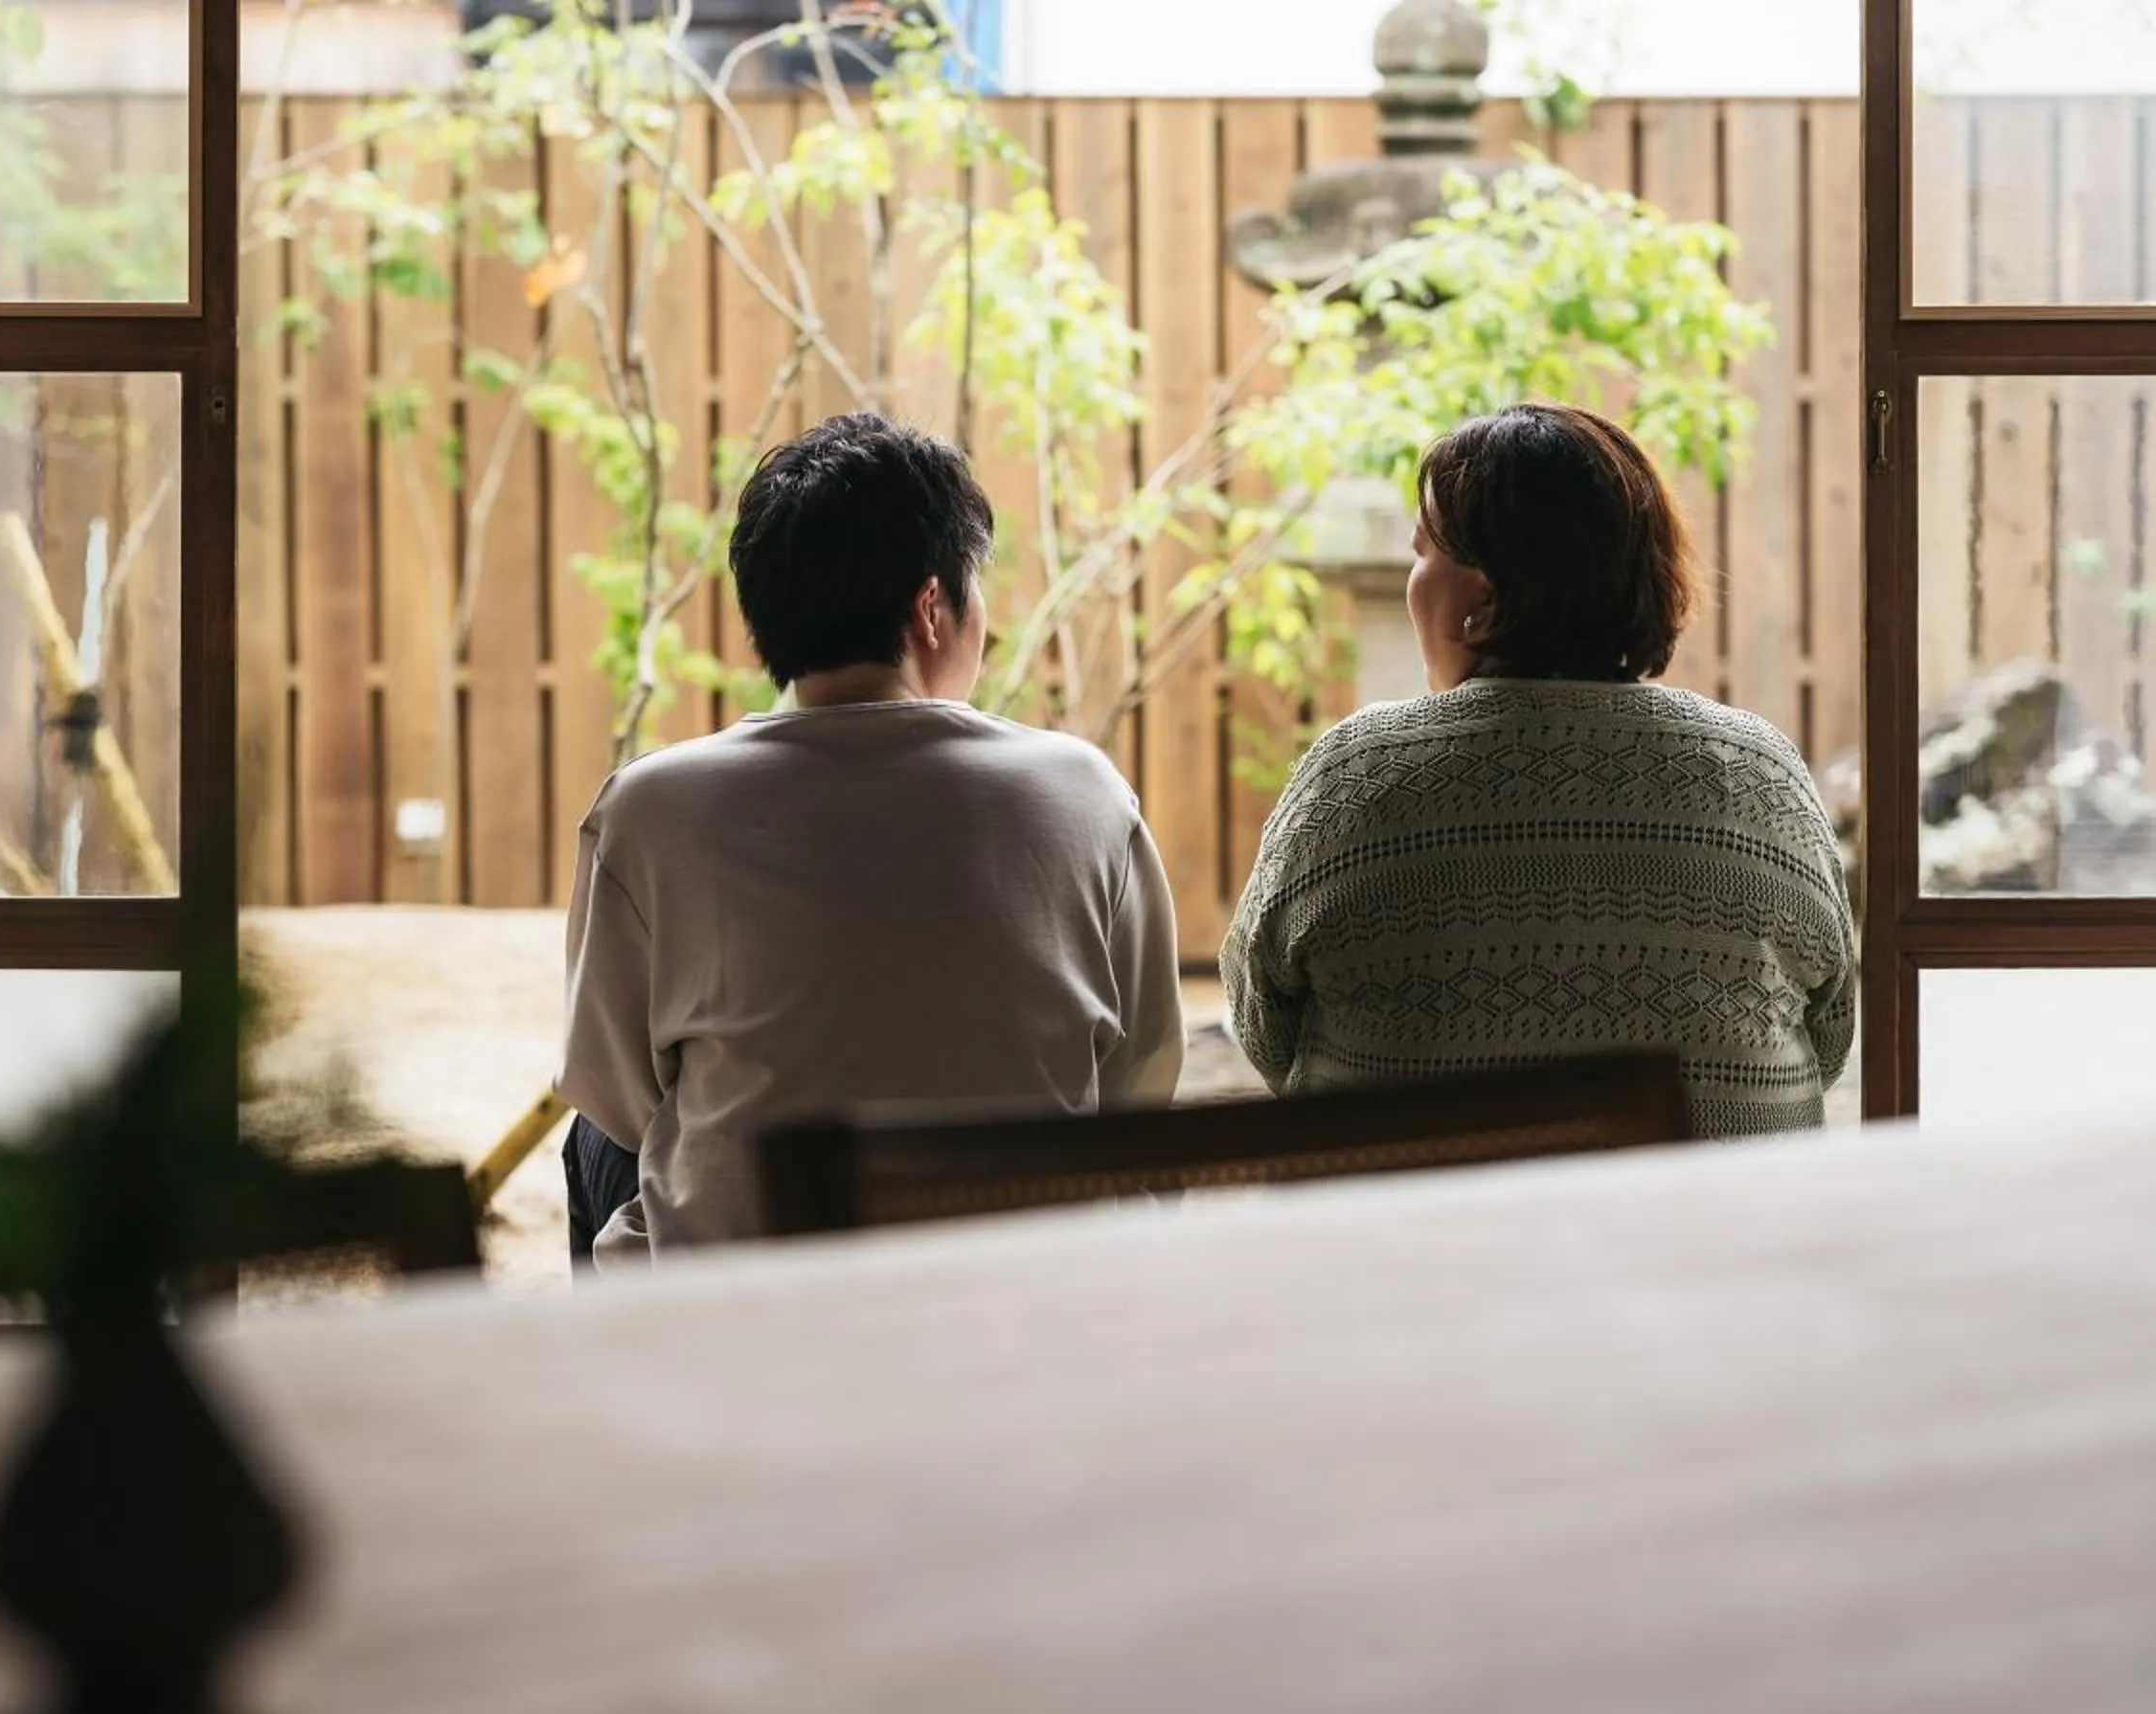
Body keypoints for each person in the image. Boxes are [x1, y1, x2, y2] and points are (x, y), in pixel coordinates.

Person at [557, 412, 1186, 1267]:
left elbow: (617, 1091)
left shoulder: (652, 809)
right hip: (1028, 1294)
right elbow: (1137, 1084)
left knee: (594, 1140)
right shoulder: (1083, 793)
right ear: (933, 606)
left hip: (757, 1309)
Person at [1221, 402, 1855, 1137]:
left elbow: (1262, 1022)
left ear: (1482, 602)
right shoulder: (1760, 773)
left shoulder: (1355, 774)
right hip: (1717, 1239)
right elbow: (1831, 1031)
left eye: (1422, 552)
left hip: (1411, 1241)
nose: (1410, 577)